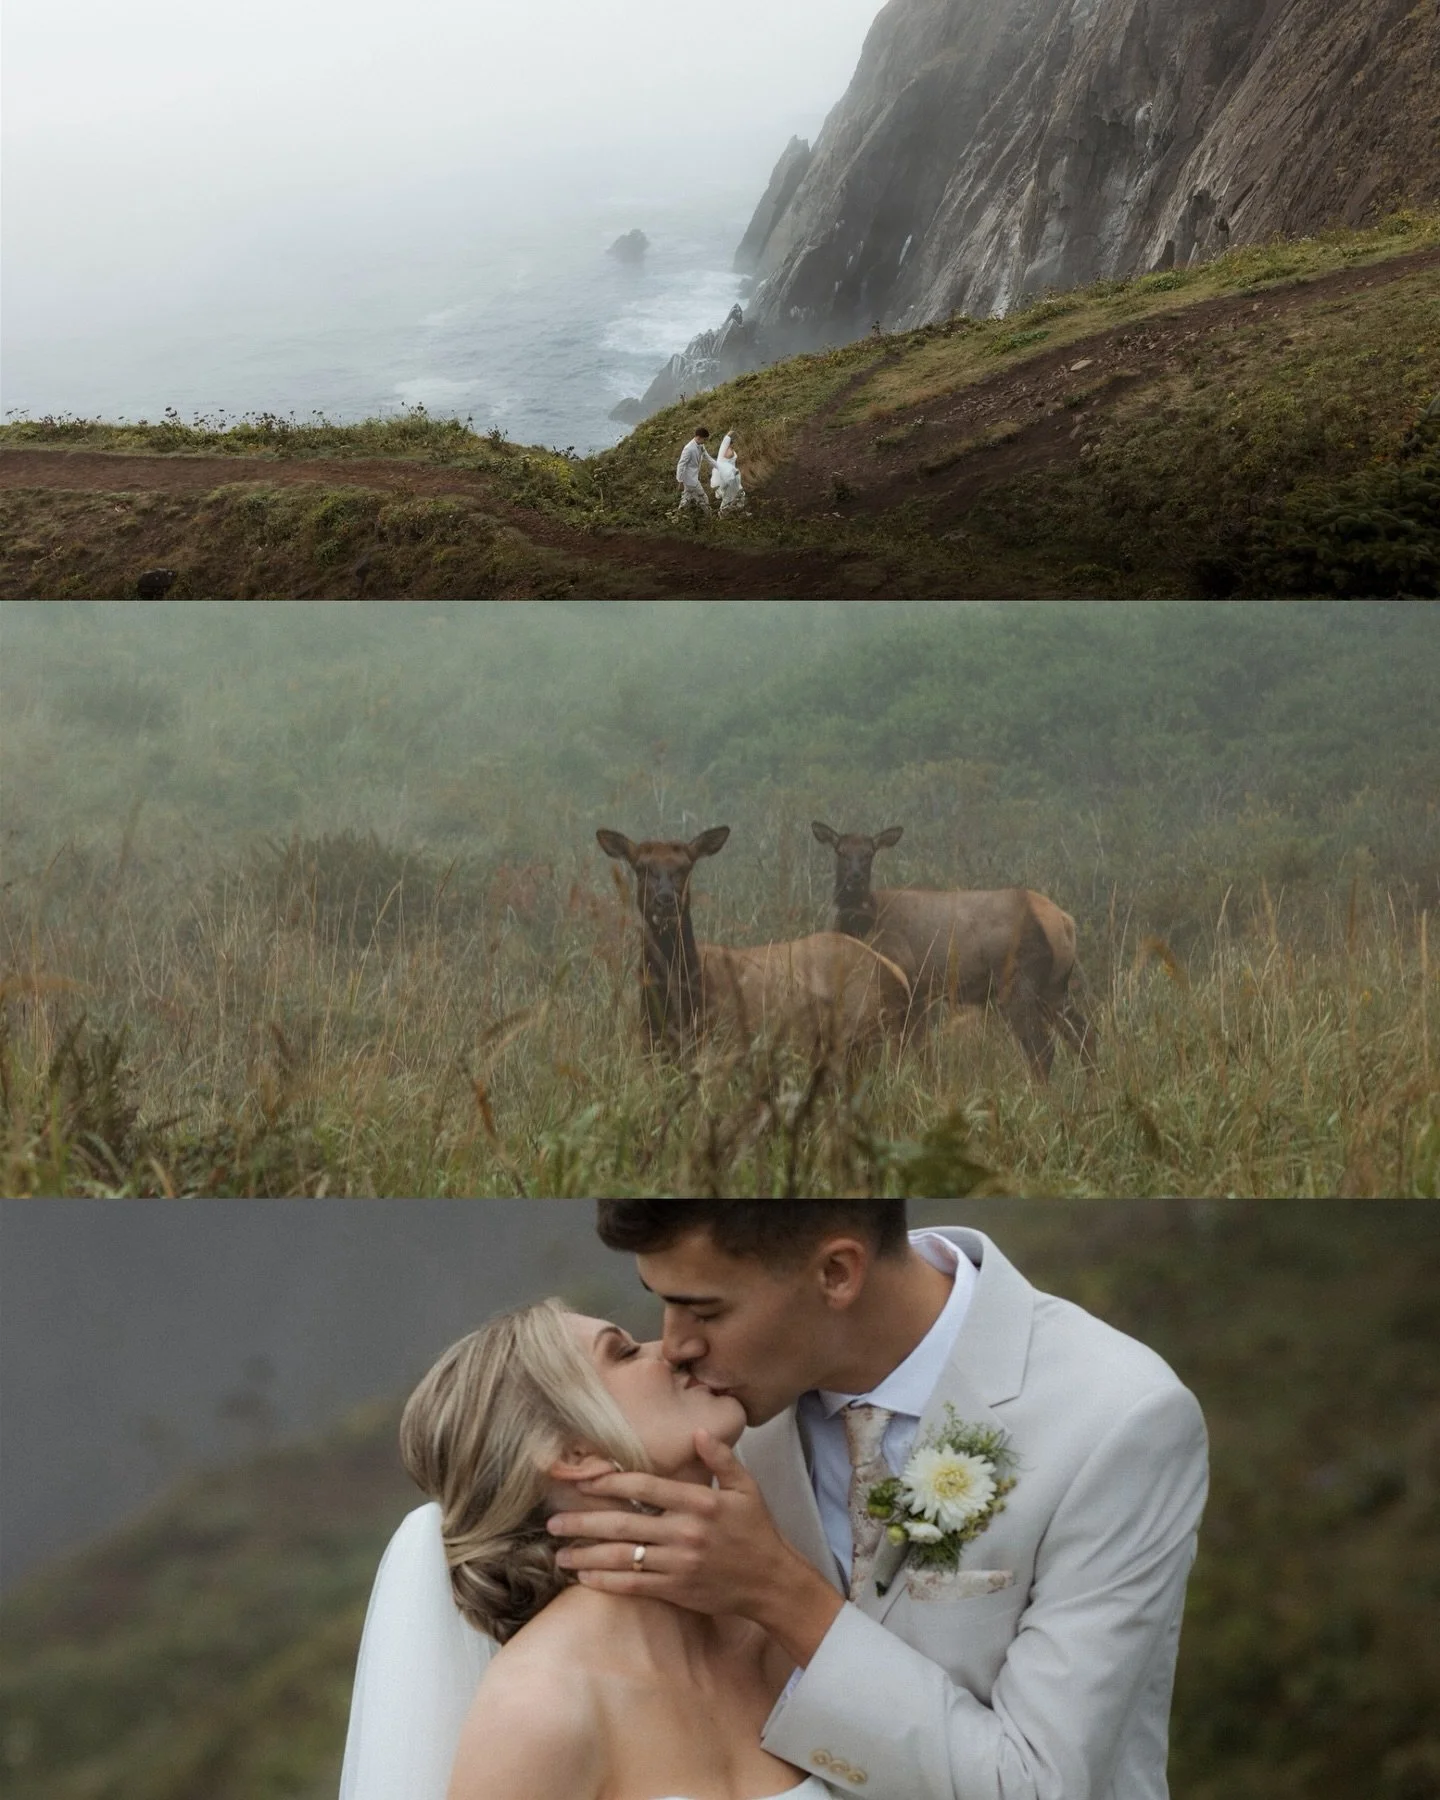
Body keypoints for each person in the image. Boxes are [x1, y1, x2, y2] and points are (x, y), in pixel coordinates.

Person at [551, 1201, 1209, 1800]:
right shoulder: (704, 1419)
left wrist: (779, 1591)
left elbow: (1038, 1787)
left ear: (837, 1272)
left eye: (706, 1310)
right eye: (662, 1302)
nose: (675, 1346)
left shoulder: (1118, 1419)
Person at [339, 1297, 835, 1800]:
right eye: (621, 1353)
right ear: (574, 1454)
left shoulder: (777, 1629)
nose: (668, 1350)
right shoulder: (539, 1710)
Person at [675, 426, 716, 517]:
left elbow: (707, 457)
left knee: (686, 499)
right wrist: (680, 481)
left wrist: (718, 466)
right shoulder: (688, 449)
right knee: (703, 498)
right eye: (704, 439)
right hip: (690, 480)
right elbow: (681, 465)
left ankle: (677, 517)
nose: (705, 441)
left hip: (693, 478)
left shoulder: (701, 445)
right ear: (698, 437)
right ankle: (710, 517)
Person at [710, 434, 746, 515]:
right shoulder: (727, 451)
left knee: (739, 493)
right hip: (729, 477)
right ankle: (722, 513)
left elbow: (727, 436)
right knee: (729, 496)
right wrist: (732, 472)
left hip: (732, 476)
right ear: (731, 443)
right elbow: (725, 465)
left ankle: (739, 510)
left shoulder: (724, 448)